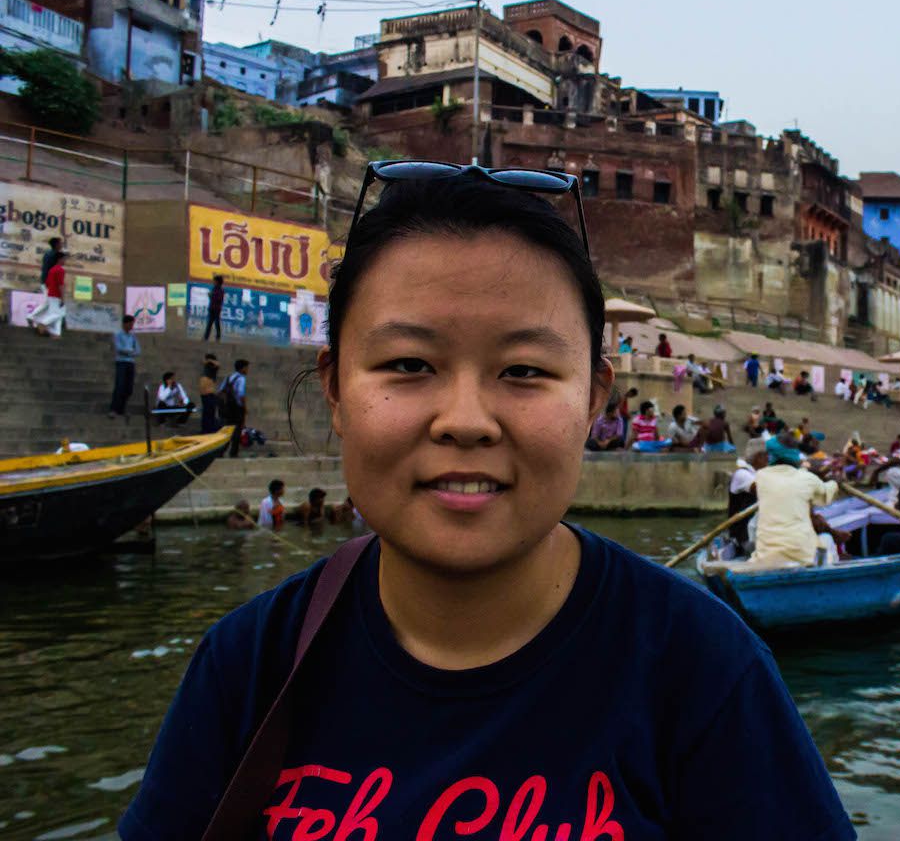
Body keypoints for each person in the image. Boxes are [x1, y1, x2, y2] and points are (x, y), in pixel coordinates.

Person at [122, 171, 852, 838]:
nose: (465, 419)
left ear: (594, 400)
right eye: (409, 365)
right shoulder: (247, 666)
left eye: (525, 370)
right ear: (337, 389)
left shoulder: (706, 675)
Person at [741, 438, 847, 568]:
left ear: (771, 456)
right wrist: (836, 482)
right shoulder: (806, 478)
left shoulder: (761, 477)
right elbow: (826, 495)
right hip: (802, 557)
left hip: (767, 558)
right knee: (827, 539)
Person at [727, 438, 768, 548]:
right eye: (767, 455)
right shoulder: (742, 474)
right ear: (759, 457)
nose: (770, 459)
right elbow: (763, 489)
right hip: (743, 537)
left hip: (759, 533)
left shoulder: (760, 474)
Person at [106, 313, 140, 418]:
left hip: (131, 363)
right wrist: (130, 351)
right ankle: (113, 409)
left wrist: (130, 352)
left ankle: (122, 408)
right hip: (121, 362)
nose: (131, 326)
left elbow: (138, 350)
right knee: (119, 386)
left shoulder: (133, 336)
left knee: (128, 388)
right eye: (130, 324)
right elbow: (119, 349)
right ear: (125, 324)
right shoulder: (118, 335)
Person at [220, 359, 249, 457]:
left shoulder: (229, 377)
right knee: (237, 431)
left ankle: (221, 451)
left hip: (228, 408)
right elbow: (241, 394)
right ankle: (233, 453)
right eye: (246, 367)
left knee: (227, 430)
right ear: (243, 368)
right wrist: (244, 406)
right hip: (237, 408)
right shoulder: (241, 379)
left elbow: (221, 390)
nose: (247, 370)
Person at [198, 356, 221, 433]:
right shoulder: (205, 371)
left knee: (210, 413)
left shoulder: (213, 370)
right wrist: (207, 361)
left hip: (210, 395)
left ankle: (209, 429)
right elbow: (203, 361)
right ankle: (205, 429)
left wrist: (210, 360)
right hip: (205, 395)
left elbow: (218, 364)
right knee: (206, 414)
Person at [204, 275, 225, 342]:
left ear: (218, 282)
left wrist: (211, 296)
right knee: (210, 323)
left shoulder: (220, 290)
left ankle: (217, 336)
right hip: (212, 308)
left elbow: (218, 299)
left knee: (216, 322)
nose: (213, 282)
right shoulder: (214, 288)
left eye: (215, 281)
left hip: (216, 308)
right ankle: (206, 337)